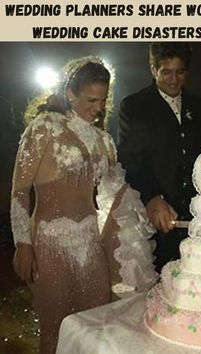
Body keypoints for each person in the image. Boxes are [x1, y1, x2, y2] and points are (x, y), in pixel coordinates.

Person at [11, 56, 157, 354]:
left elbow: (117, 197)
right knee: (56, 328)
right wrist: (22, 242)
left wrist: (136, 230)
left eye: (103, 100)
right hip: (50, 246)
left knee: (94, 325)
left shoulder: (104, 140)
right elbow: (19, 192)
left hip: (91, 248)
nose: (99, 107)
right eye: (91, 99)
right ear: (69, 93)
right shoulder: (44, 128)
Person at [118, 42, 201, 273]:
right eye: (166, 72)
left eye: (180, 72)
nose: (174, 80)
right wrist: (152, 197)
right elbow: (131, 160)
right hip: (157, 225)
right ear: (153, 68)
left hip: (200, 222)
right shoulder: (134, 106)